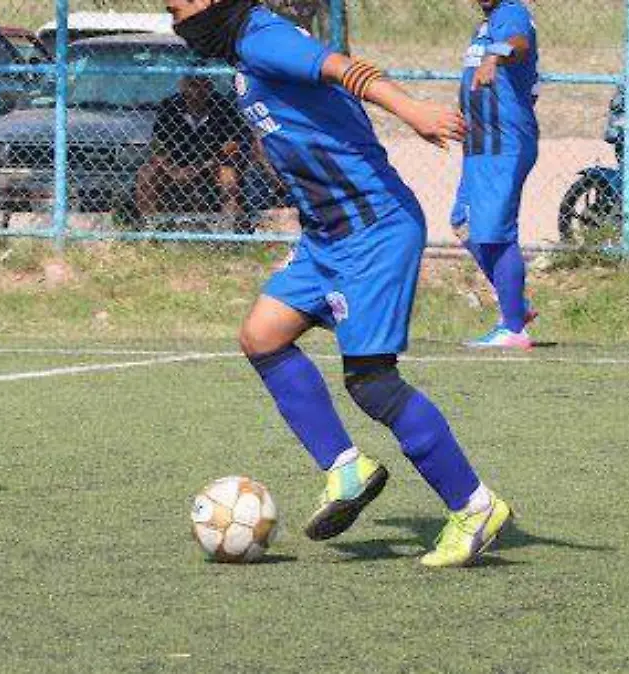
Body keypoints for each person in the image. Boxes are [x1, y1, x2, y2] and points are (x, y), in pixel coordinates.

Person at [167, 0, 512, 567]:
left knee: (372, 383)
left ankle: (474, 507)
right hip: (327, 235)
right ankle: (345, 468)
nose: (176, 19)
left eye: (178, 6)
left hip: (370, 228)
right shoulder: (246, 50)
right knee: (262, 336)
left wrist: (413, 110)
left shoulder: (260, 38)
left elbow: (342, 68)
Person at [451, 0, 539, 349]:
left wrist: (494, 56)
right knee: (463, 222)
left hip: (504, 143)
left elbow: (519, 45)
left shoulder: (511, 14)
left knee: (494, 232)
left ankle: (514, 329)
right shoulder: (485, 25)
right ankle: (515, 303)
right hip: (480, 143)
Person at [135, 74, 251, 226]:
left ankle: (227, 228)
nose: (198, 91)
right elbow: (159, 145)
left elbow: (232, 143)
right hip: (176, 163)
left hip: (213, 162)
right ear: (183, 86)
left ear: (210, 87)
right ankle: (150, 225)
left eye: (203, 85)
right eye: (193, 85)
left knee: (228, 176)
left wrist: (205, 165)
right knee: (146, 173)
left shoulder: (223, 107)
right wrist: (172, 169)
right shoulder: (170, 106)